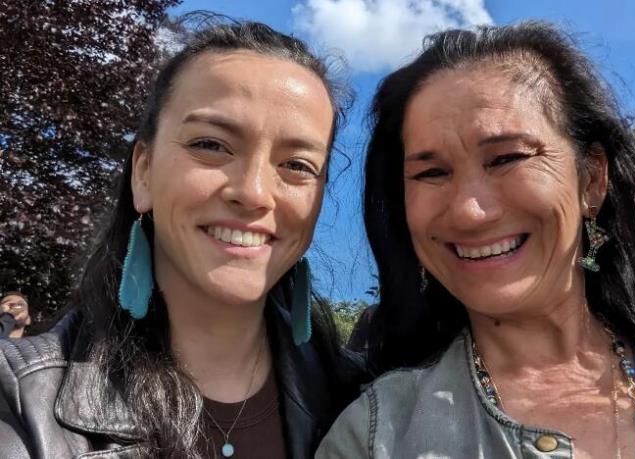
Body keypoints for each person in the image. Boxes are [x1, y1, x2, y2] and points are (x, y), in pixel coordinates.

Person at [317, 21, 635, 459]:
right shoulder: (376, 437)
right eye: (431, 172)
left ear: (591, 179)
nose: (470, 211)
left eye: (507, 158)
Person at [0, 19, 363, 459]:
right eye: (211, 144)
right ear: (143, 172)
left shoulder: (364, 404)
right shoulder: (18, 396)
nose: (253, 193)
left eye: (297, 165)